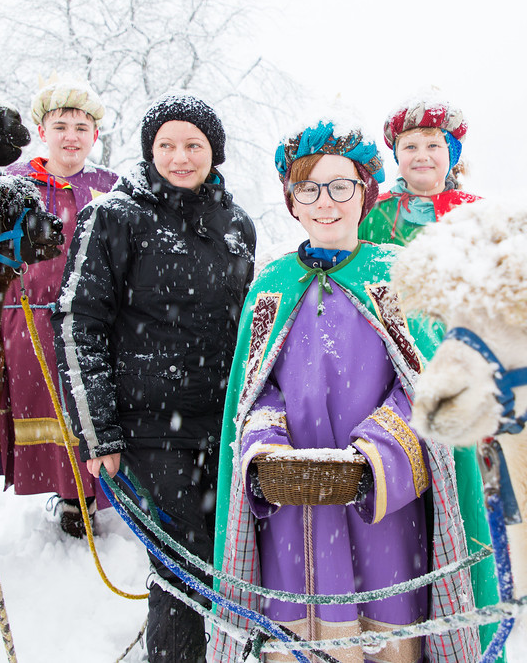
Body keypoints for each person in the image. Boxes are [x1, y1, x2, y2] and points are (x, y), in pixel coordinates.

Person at [210, 120, 494, 663]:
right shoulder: (271, 285)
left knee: (386, 634)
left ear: (365, 194)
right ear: (292, 201)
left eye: (341, 186)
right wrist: (265, 451)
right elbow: (255, 392)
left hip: (383, 513)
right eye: (308, 188)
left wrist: (373, 462)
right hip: (291, 511)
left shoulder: (396, 276)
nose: (325, 202)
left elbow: (423, 388)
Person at [53, 93, 256, 662]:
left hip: (222, 423)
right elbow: (78, 321)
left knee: (228, 557)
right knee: (186, 559)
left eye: (193, 145)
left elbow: (246, 325)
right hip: (146, 427)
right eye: (166, 145)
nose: (180, 157)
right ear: (149, 151)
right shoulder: (114, 217)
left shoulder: (236, 224)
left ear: (214, 153)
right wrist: (98, 433)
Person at [0, 78, 118, 538]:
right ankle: (67, 494)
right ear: (42, 131)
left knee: (87, 404)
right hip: (28, 318)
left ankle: (89, 494)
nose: (72, 136)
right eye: (61, 126)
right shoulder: (12, 184)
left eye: (82, 128)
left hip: (92, 321)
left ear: (95, 135)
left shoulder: (109, 189)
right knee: (45, 405)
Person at [357, 96, 480, 247]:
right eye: (410, 147)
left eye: (433, 145)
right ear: (397, 155)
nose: (422, 156)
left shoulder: (477, 212)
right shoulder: (369, 211)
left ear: (451, 155)